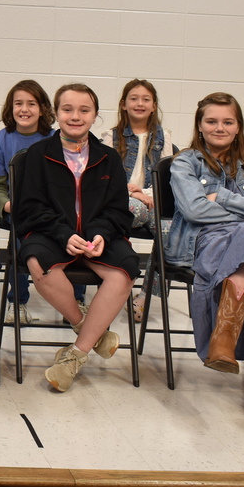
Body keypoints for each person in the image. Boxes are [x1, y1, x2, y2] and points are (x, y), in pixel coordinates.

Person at [166, 92, 244, 432]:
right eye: (212, 121)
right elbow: (194, 210)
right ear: (200, 125)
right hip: (208, 244)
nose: (219, 127)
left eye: (227, 121)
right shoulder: (185, 163)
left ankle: (224, 337)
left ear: (238, 127)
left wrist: (220, 196)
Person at [14, 83, 138, 392]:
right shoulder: (36, 155)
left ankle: (76, 354)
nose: (75, 116)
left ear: (95, 115)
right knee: (37, 261)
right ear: (54, 113)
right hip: (51, 232)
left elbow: (118, 210)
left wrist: (101, 234)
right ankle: (88, 326)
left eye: (84, 110)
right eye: (67, 109)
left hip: (98, 236)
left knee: (125, 271)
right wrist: (64, 233)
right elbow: (28, 207)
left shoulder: (109, 158)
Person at [0, 80, 86, 326]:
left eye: (31, 104)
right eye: (18, 103)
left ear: (42, 109)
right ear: (10, 109)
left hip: (56, 210)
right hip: (19, 210)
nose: (24, 109)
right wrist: (7, 206)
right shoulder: (1, 140)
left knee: (79, 231)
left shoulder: (58, 138)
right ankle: (17, 302)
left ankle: (76, 301)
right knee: (20, 238)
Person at [100, 79, 174, 322]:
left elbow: (167, 181)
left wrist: (146, 194)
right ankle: (119, 283)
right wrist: (132, 193)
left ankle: (143, 297)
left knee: (170, 233)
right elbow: (103, 180)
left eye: (146, 99)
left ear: (154, 106)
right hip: (124, 203)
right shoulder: (110, 137)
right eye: (133, 98)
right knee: (134, 207)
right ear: (123, 105)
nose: (139, 103)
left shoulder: (164, 138)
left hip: (152, 203)